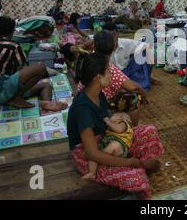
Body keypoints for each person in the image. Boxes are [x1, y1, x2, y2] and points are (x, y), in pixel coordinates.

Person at [67, 53, 163, 198]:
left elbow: (106, 119)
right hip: (89, 156)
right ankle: (138, 163)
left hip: (107, 139)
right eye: (108, 71)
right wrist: (133, 163)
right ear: (98, 78)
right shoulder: (83, 109)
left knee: (149, 130)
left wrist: (120, 119)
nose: (112, 74)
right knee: (137, 178)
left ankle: (137, 162)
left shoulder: (98, 94)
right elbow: (91, 153)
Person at [0, 17, 67, 111]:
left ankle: (46, 103)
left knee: (46, 85)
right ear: (11, 31)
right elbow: (23, 68)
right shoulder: (13, 45)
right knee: (40, 68)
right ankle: (17, 98)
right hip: (1, 89)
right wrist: (37, 71)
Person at [76, 30, 148, 122]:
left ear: (94, 45)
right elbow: (135, 87)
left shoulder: (88, 59)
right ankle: (132, 128)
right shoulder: (108, 68)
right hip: (99, 105)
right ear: (114, 46)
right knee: (136, 97)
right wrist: (145, 96)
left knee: (121, 89)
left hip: (87, 98)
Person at [82, 112, 134, 181]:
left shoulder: (123, 124)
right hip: (106, 147)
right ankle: (92, 173)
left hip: (120, 146)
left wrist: (108, 122)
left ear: (120, 117)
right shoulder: (110, 128)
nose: (110, 117)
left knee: (113, 145)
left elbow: (119, 129)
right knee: (93, 154)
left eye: (113, 115)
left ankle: (100, 159)